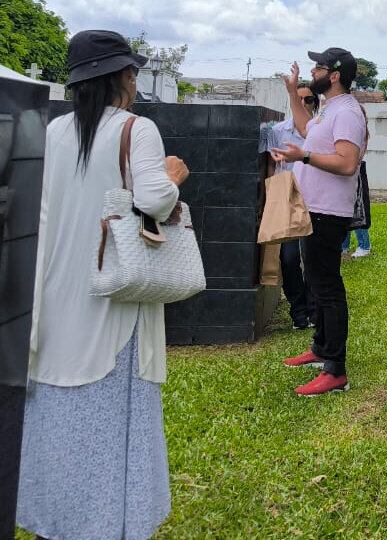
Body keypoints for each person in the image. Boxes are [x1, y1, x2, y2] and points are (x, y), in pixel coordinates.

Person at [17, 30, 189, 539]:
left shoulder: (53, 132)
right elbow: (156, 199)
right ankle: (114, 521)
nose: (135, 82)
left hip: (53, 291)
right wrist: (173, 174)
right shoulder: (138, 130)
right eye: (131, 72)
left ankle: (59, 519)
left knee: (57, 414)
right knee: (114, 417)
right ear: (120, 78)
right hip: (113, 294)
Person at [272, 48, 367, 396]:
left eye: (318, 68)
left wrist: (305, 156)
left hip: (329, 212)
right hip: (314, 209)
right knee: (316, 282)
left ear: (335, 74)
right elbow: (303, 126)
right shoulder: (329, 110)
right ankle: (320, 349)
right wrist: (290, 89)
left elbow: (346, 163)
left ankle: (335, 369)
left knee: (327, 288)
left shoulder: (348, 113)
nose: (313, 72)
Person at [270, 82, 318, 329]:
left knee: (312, 258)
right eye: (299, 100)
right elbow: (270, 165)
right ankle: (298, 311)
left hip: (315, 199)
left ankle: (312, 310)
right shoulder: (279, 131)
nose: (304, 104)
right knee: (288, 258)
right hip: (288, 198)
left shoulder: (320, 131)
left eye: (308, 100)